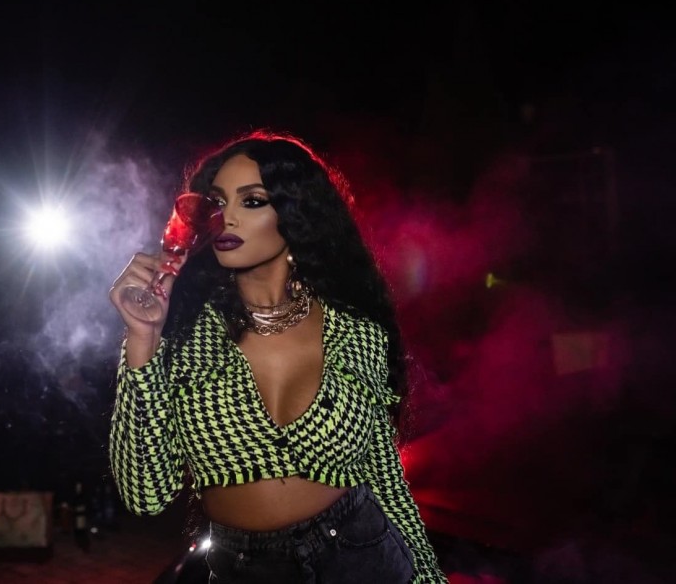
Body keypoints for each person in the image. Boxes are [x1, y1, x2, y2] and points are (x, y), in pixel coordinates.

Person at [108, 129, 446, 582]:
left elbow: (385, 479)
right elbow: (145, 494)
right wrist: (143, 337)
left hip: (362, 557)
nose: (226, 217)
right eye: (216, 202)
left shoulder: (355, 332)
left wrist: (429, 578)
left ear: (294, 214)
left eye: (252, 201)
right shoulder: (183, 334)